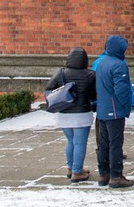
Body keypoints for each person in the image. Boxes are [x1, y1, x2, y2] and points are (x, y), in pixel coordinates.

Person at [45, 47, 97, 183]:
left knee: (71, 141)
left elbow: (48, 89)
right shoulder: (91, 75)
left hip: (64, 112)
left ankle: (71, 168)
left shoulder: (61, 73)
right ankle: (77, 171)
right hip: (82, 113)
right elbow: (95, 94)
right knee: (80, 143)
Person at [95, 34, 134, 188]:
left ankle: (104, 174)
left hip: (103, 110)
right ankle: (116, 176)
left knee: (104, 143)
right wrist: (126, 106)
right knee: (116, 144)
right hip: (115, 110)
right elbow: (122, 90)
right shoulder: (119, 65)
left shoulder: (101, 62)